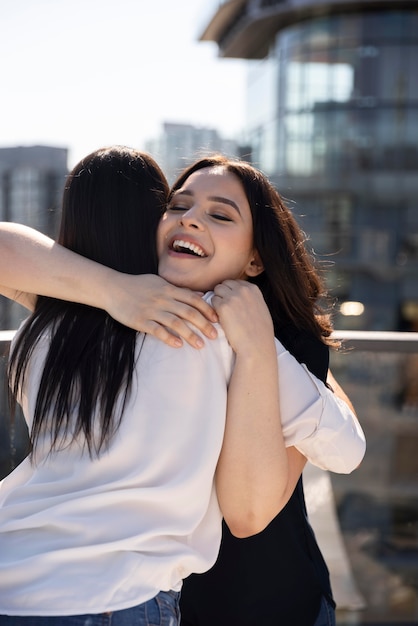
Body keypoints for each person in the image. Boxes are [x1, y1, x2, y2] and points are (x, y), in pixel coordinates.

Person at [0, 150, 365, 625]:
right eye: (177, 206)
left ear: (256, 258)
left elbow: (252, 511)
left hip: (259, 601)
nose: (190, 219)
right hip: (125, 597)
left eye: (219, 214)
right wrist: (118, 290)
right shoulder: (101, 309)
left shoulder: (274, 337)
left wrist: (256, 344)